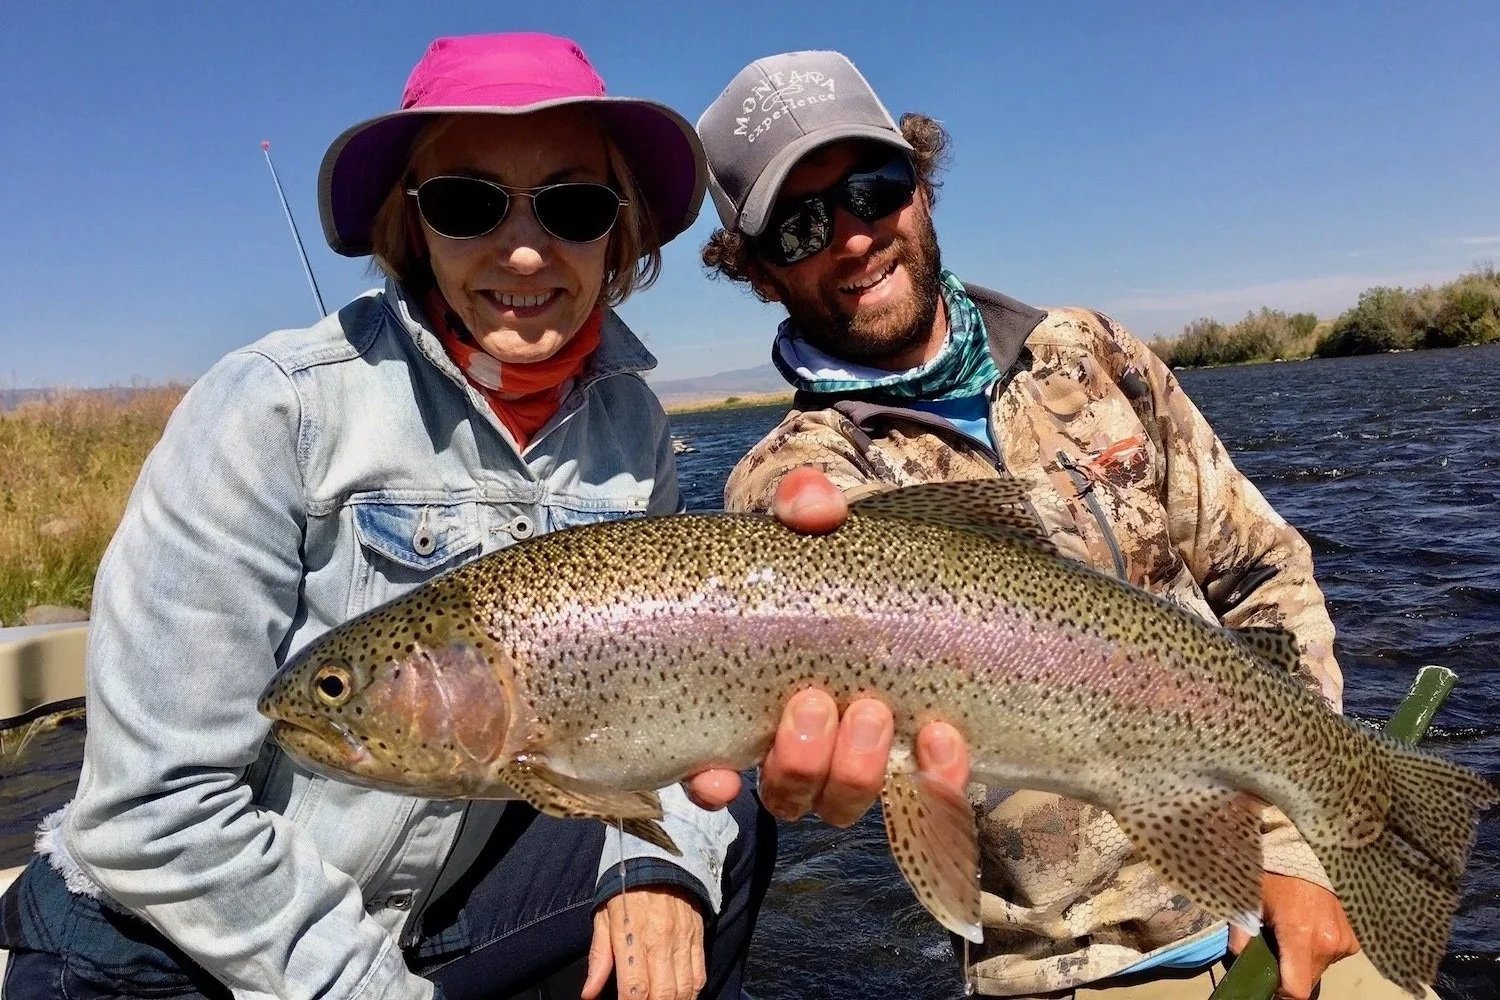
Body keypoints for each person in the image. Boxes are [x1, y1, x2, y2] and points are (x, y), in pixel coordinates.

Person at [0, 33, 971, 1000]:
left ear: (616, 229)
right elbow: (151, 813)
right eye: (468, 204)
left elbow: (675, 724)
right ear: (410, 224)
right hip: (159, 948)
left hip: (429, 917)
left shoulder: (631, 424)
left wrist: (653, 864)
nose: (523, 246)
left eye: (572, 205)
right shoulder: (272, 409)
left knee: (727, 816)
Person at [693, 51, 1433, 1000]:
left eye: (874, 188)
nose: (853, 237)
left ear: (921, 185)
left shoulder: (1088, 352)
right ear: (757, 271)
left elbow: (1262, 574)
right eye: (801, 225)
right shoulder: (788, 485)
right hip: (1072, 971)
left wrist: (1306, 848)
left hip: (1287, 888)